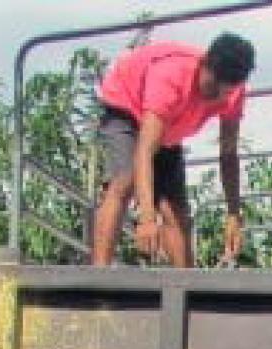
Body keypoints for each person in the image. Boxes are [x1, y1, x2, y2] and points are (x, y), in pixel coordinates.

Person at [92, 33, 256, 267]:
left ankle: (186, 286)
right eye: (211, 87)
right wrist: (147, 218)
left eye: (226, 91)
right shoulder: (172, 75)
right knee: (125, 181)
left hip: (170, 126)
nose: (216, 97)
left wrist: (233, 214)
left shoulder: (234, 93)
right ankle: (99, 274)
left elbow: (229, 154)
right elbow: (145, 151)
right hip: (127, 105)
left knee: (175, 211)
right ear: (204, 66)